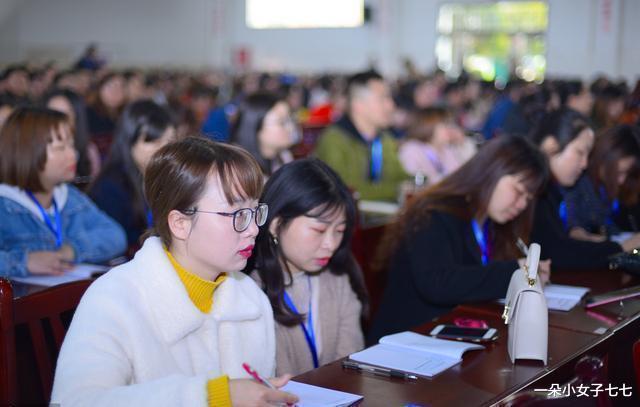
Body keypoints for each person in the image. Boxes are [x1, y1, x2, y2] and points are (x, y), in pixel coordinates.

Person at [51, 137, 298, 406]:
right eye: (237, 214)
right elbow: (76, 401)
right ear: (180, 223)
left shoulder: (249, 298)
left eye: (254, 211)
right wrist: (212, 396)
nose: (252, 229)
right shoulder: (114, 299)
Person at [368, 135, 550, 343]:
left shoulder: (490, 221)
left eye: (528, 199)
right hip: (405, 341)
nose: (521, 205)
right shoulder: (435, 212)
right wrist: (516, 271)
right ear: (492, 172)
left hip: (450, 336)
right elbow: (438, 283)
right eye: (518, 191)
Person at [249, 159, 368, 376]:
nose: (331, 244)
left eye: (339, 231)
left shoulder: (337, 279)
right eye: (319, 230)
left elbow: (351, 367)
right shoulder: (249, 291)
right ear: (276, 224)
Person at [0, 107, 126, 278]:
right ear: (26, 152)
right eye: (61, 147)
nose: (73, 154)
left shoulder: (70, 197)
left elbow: (115, 236)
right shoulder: (5, 205)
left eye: (71, 145)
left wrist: (72, 250)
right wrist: (24, 261)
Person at [530, 109, 639, 270]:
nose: (585, 164)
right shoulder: (538, 191)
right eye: (580, 152)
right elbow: (556, 251)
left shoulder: (549, 191)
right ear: (551, 146)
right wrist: (621, 247)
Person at [89, 100, 176, 248]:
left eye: (170, 141)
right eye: (154, 141)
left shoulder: (167, 178)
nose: (164, 149)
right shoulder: (110, 188)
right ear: (129, 141)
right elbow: (117, 244)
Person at [315, 70, 408, 201]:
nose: (391, 105)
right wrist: (399, 189)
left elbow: (399, 176)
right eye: (383, 99)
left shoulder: (384, 139)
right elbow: (345, 191)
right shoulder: (334, 140)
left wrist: (416, 182)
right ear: (358, 105)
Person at [563, 124, 640, 242]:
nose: (621, 180)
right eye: (618, 172)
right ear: (605, 159)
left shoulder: (604, 186)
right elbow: (573, 229)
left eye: (626, 173)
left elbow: (608, 226)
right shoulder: (577, 178)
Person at [399, 107, 474, 185]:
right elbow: (413, 182)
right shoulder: (411, 150)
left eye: (449, 124)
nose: (450, 129)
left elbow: (463, 177)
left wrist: (463, 144)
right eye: (444, 124)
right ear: (429, 126)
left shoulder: (447, 150)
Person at [44, 88, 101, 186]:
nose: (58, 120)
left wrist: (74, 179)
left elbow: (92, 180)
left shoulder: (89, 151)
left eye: (65, 114)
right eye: (52, 113)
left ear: (76, 117)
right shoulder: (36, 149)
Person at [231, 92, 297, 176]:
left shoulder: (284, 157)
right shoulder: (237, 172)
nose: (291, 127)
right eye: (281, 122)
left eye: (290, 119)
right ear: (254, 125)